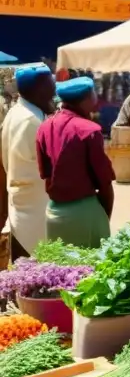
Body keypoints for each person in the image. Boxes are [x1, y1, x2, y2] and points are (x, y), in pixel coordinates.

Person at [36, 77, 115, 247]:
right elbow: (105, 183)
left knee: (60, 270)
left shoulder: (44, 126)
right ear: (88, 98)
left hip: (54, 212)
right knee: (89, 269)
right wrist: (103, 217)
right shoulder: (89, 130)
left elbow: (46, 176)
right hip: (83, 214)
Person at [0, 64, 56, 258]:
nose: (54, 88)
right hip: (34, 211)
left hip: (24, 205)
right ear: (40, 88)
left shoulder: (18, 113)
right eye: (51, 83)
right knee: (35, 272)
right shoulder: (30, 121)